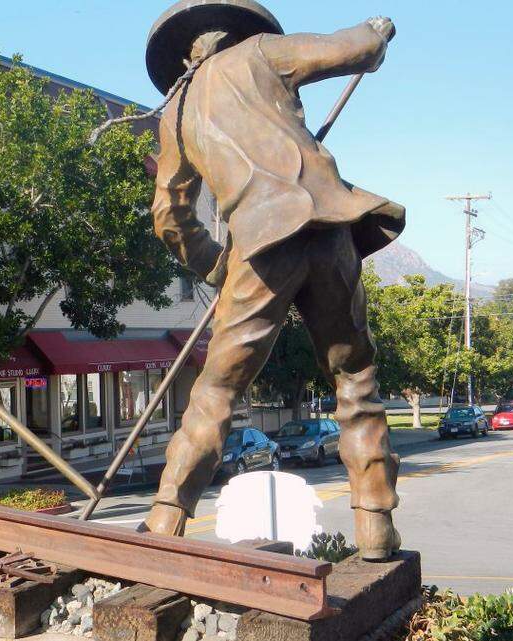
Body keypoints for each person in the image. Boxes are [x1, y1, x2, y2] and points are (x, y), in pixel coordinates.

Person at [141, 0, 406, 560]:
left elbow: (169, 213)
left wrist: (216, 262)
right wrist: (376, 32)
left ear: (187, 55)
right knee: (355, 376)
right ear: (235, 34)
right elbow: (354, 49)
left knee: (217, 389)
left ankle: (166, 517)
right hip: (330, 230)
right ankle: (375, 524)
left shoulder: (177, 112)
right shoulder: (262, 53)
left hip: (260, 246)